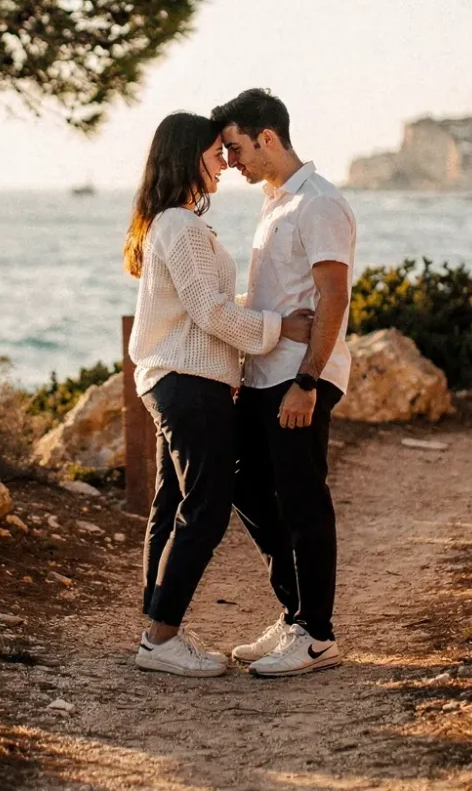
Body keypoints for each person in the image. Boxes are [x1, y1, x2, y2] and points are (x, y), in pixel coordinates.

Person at [123, 111, 314, 677]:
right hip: (188, 383)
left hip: (176, 380)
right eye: (214, 156)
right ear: (188, 159)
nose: (224, 166)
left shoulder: (170, 223)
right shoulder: (180, 225)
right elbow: (209, 312)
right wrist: (280, 329)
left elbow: (201, 303)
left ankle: (159, 626)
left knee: (171, 505)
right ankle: (161, 639)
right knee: (204, 509)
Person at [211, 89, 357, 678]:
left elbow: (334, 295)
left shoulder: (318, 203)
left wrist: (307, 382)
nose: (231, 160)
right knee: (243, 485)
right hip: (263, 375)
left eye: (236, 147)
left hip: (300, 377)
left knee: (302, 500)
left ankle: (317, 635)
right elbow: (276, 297)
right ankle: (295, 613)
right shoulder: (275, 201)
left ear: (267, 138)